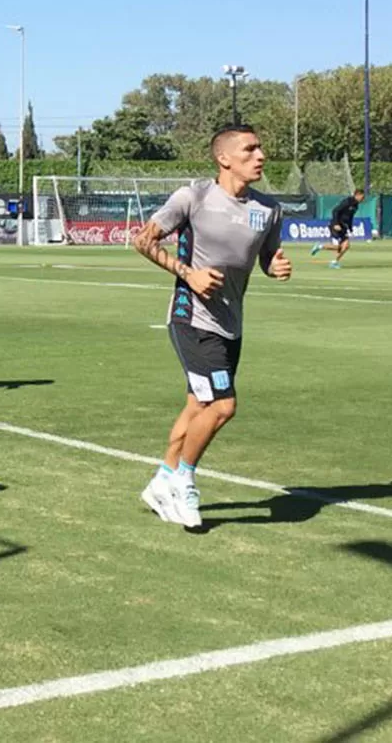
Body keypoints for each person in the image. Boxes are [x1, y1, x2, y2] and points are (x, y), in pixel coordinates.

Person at [130, 125, 292, 529]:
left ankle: (161, 480)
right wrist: (190, 274)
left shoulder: (269, 209)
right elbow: (142, 240)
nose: (260, 155)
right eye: (250, 149)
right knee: (223, 406)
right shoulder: (194, 197)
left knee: (197, 405)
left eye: (260, 147)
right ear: (224, 158)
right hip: (191, 317)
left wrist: (276, 267)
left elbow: (267, 257)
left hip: (229, 323)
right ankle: (184, 479)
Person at [311, 187, 364, 269]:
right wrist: (336, 223)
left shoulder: (356, 205)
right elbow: (335, 211)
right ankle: (319, 246)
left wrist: (350, 228)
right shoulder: (348, 201)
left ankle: (334, 262)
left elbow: (350, 217)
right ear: (357, 195)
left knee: (346, 246)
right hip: (335, 226)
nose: (363, 199)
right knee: (338, 247)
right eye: (362, 197)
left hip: (343, 227)